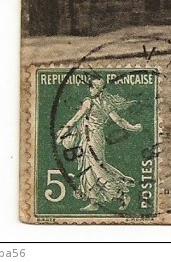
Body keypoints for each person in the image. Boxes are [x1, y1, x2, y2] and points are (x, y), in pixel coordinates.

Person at [55, 76, 142, 211]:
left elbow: (75, 119)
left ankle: (121, 194)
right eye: (91, 86)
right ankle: (94, 201)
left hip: (91, 140)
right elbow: (119, 121)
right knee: (89, 168)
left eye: (93, 86)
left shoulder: (89, 103)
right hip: (94, 138)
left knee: (96, 168)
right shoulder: (105, 104)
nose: (90, 89)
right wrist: (133, 127)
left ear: (98, 89)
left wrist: (62, 134)